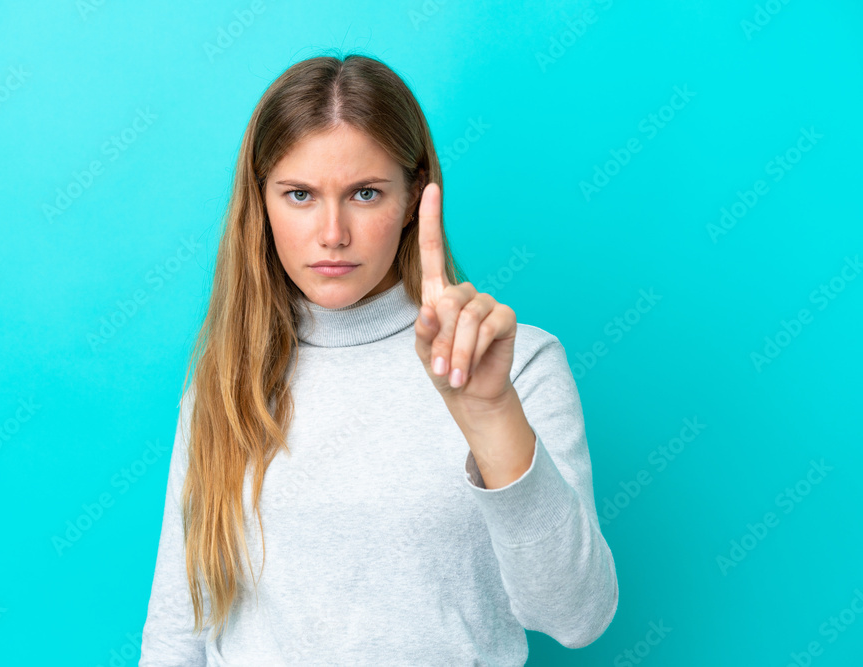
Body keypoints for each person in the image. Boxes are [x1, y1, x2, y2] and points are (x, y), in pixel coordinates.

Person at [138, 52, 618, 666]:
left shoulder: (518, 364)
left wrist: (491, 416)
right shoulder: (226, 385)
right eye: (300, 194)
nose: (332, 232)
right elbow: (180, 629)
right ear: (262, 204)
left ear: (416, 196)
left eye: (365, 193)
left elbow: (577, 617)